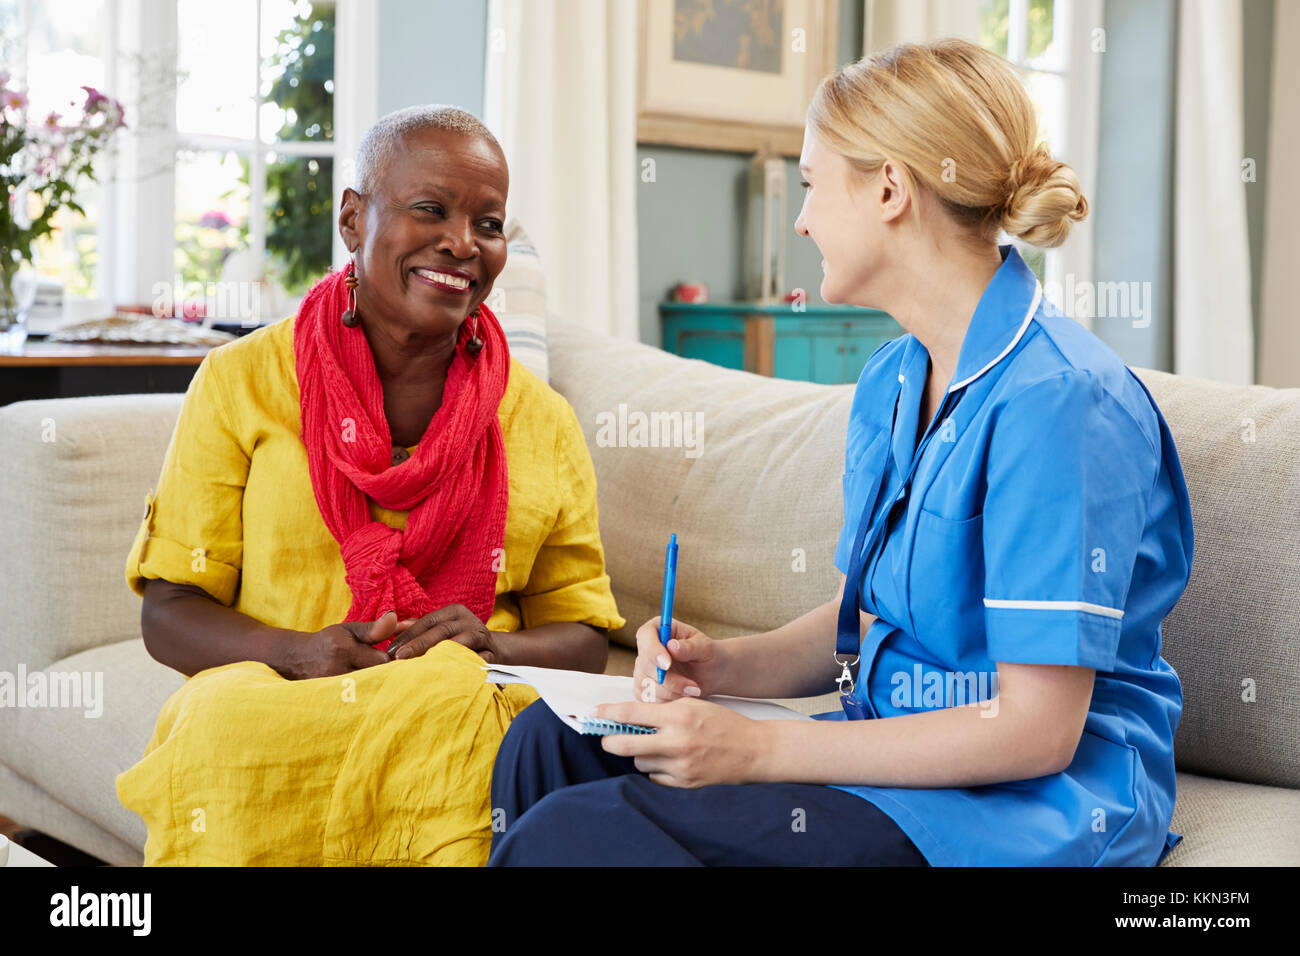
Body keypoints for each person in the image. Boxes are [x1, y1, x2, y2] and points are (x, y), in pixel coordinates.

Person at [488, 39, 1194, 867]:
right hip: (886, 750)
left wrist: (758, 751)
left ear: (890, 189)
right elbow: (868, 619)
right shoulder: (895, 380)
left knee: (575, 834)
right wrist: (723, 669)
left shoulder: (1061, 402)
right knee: (548, 743)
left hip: (1022, 805)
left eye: (814, 183)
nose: (802, 217)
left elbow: (1036, 730)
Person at [116, 105, 624, 866]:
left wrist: (492, 644)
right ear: (354, 219)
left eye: (488, 224)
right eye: (432, 209)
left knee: (454, 705)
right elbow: (170, 612)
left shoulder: (541, 420)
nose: (462, 242)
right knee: (216, 726)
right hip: (279, 687)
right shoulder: (242, 383)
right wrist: (298, 652)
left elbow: (585, 636)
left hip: (456, 698)